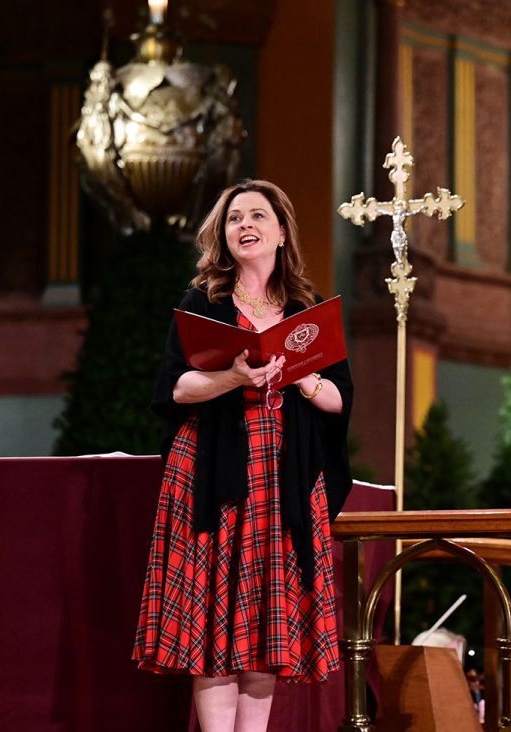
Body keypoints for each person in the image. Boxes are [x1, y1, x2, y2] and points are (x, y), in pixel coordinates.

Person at [133, 180, 353, 732]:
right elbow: (176, 389)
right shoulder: (203, 302)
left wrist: (303, 380)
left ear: (281, 232)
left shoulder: (306, 311)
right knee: (214, 623)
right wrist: (231, 376)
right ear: (224, 235)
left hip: (285, 477)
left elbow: (339, 398)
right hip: (216, 472)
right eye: (234, 219)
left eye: (258, 216)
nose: (245, 225)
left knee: (265, 620)